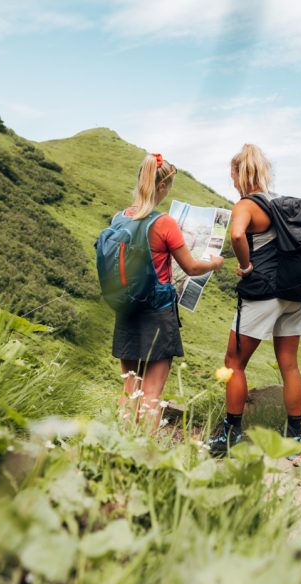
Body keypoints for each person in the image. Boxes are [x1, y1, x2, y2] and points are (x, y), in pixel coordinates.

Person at [208, 144, 301, 456]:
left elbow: (237, 236)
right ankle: (294, 437)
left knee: (233, 362)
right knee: (290, 365)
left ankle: (232, 434)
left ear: (239, 174)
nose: (233, 182)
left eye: (233, 176)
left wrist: (246, 266)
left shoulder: (246, 205)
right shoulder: (285, 203)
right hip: (295, 293)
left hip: (264, 293)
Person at [114, 153, 224, 430]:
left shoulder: (118, 219)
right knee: (152, 394)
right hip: (158, 314)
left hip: (127, 310)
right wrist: (214, 262)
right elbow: (191, 267)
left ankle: (119, 455)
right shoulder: (164, 223)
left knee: (130, 389)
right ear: (163, 187)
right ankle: (145, 460)